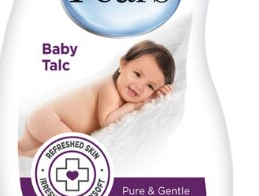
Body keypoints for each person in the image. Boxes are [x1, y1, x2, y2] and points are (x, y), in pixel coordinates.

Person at [18, 40, 175, 157]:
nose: (139, 86)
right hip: (49, 118)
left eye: (150, 86)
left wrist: (157, 96)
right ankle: (23, 155)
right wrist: (135, 105)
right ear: (123, 65)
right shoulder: (109, 88)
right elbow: (107, 121)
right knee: (73, 147)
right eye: (137, 74)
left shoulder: (123, 90)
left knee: (30, 147)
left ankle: (22, 153)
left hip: (47, 119)